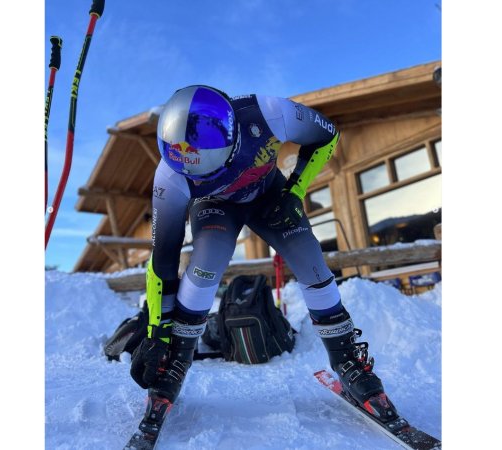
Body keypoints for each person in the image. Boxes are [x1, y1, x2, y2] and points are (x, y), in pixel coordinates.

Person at [130, 85, 398, 422]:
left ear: (233, 140)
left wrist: (294, 191)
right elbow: (163, 259)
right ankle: (177, 361)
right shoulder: (169, 177)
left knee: (312, 264)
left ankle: (346, 360)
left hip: (269, 195)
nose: (203, 177)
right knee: (205, 265)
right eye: (193, 175)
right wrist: (157, 333)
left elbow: (327, 135)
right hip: (215, 208)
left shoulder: (270, 113)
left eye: (210, 169)